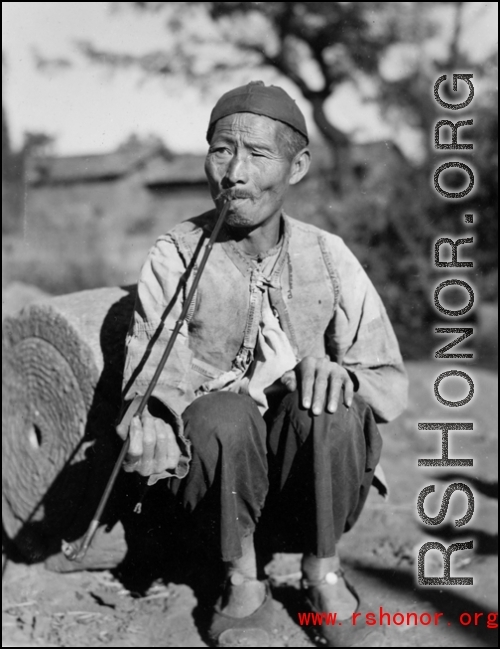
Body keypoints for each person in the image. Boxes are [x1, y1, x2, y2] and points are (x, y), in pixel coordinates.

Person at [117, 80, 408, 646]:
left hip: (311, 494)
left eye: (257, 154)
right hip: (215, 498)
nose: (234, 172)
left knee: (332, 405)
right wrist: (154, 414)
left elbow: (387, 382)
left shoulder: (330, 256)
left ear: (296, 168)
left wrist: (338, 375)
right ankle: (242, 583)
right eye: (222, 149)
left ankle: (322, 569)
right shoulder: (175, 254)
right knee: (222, 413)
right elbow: (155, 373)